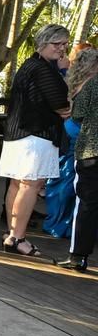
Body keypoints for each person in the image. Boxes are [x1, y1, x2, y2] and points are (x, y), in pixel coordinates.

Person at [0, 24, 71, 257]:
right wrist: (64, 74)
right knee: (29, 185)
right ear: (43, 43)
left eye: (65, 44)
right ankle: (17, 238)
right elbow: (63, 106)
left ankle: (12, 234)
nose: (62, 49)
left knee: (18, 184)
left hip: (20, 134)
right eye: (56, 44)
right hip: (34, 136)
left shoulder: (31, 65)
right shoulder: (42, 69)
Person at [55, 48, 98, 271]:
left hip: (91, 151)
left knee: (86, 204)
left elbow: (78, 115)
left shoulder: (91, 85)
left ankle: (78, 256)